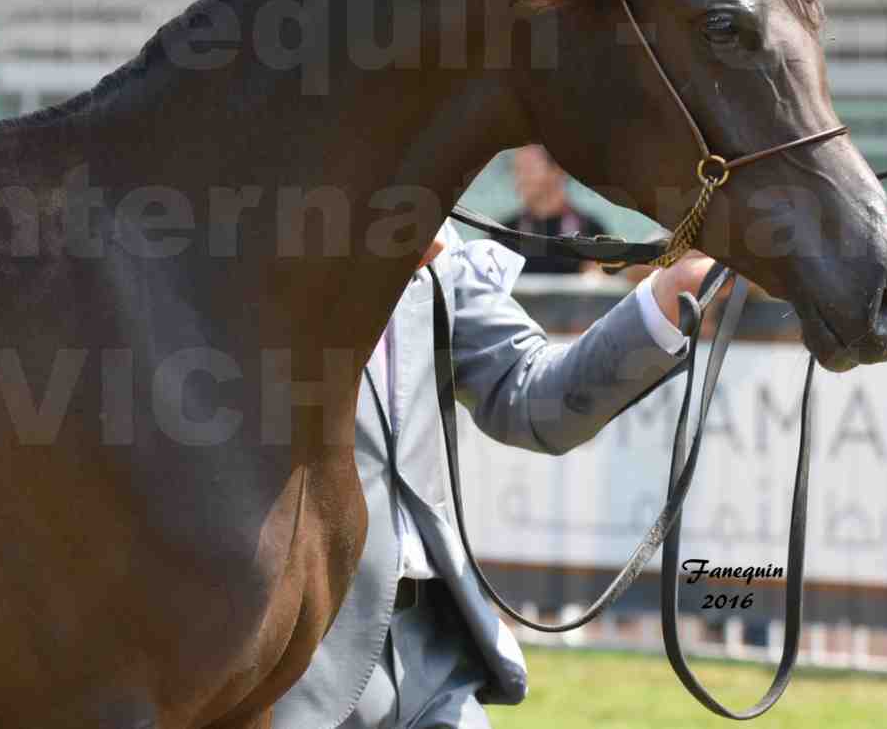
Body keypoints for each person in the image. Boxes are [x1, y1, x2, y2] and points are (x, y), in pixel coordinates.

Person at [273, 222, 720, 729]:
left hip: (435, 654)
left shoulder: (429, 226)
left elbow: (536, 401)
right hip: (287, 660)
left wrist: (667, 297)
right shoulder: (231, 224)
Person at [499, 145, 608, 275]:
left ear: (558, 170)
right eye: (517, 170)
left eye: (528, 169)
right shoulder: (503, 233)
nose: (520, 178)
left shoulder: (591, 231)